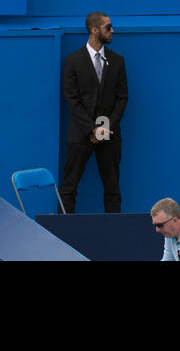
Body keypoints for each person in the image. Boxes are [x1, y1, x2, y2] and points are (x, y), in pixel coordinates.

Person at [59, 12, 128, 213]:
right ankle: (64, 232)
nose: (113, 30)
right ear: (94, 30)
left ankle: (114, 234)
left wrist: (105, 128)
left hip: (109, 134)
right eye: (108, 27)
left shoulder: (117, 61)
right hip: (80, 134)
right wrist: (92, 129)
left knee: (113, 189)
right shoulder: (73, 61)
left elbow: (122, 98)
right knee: (68, 188)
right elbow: (72, 99)